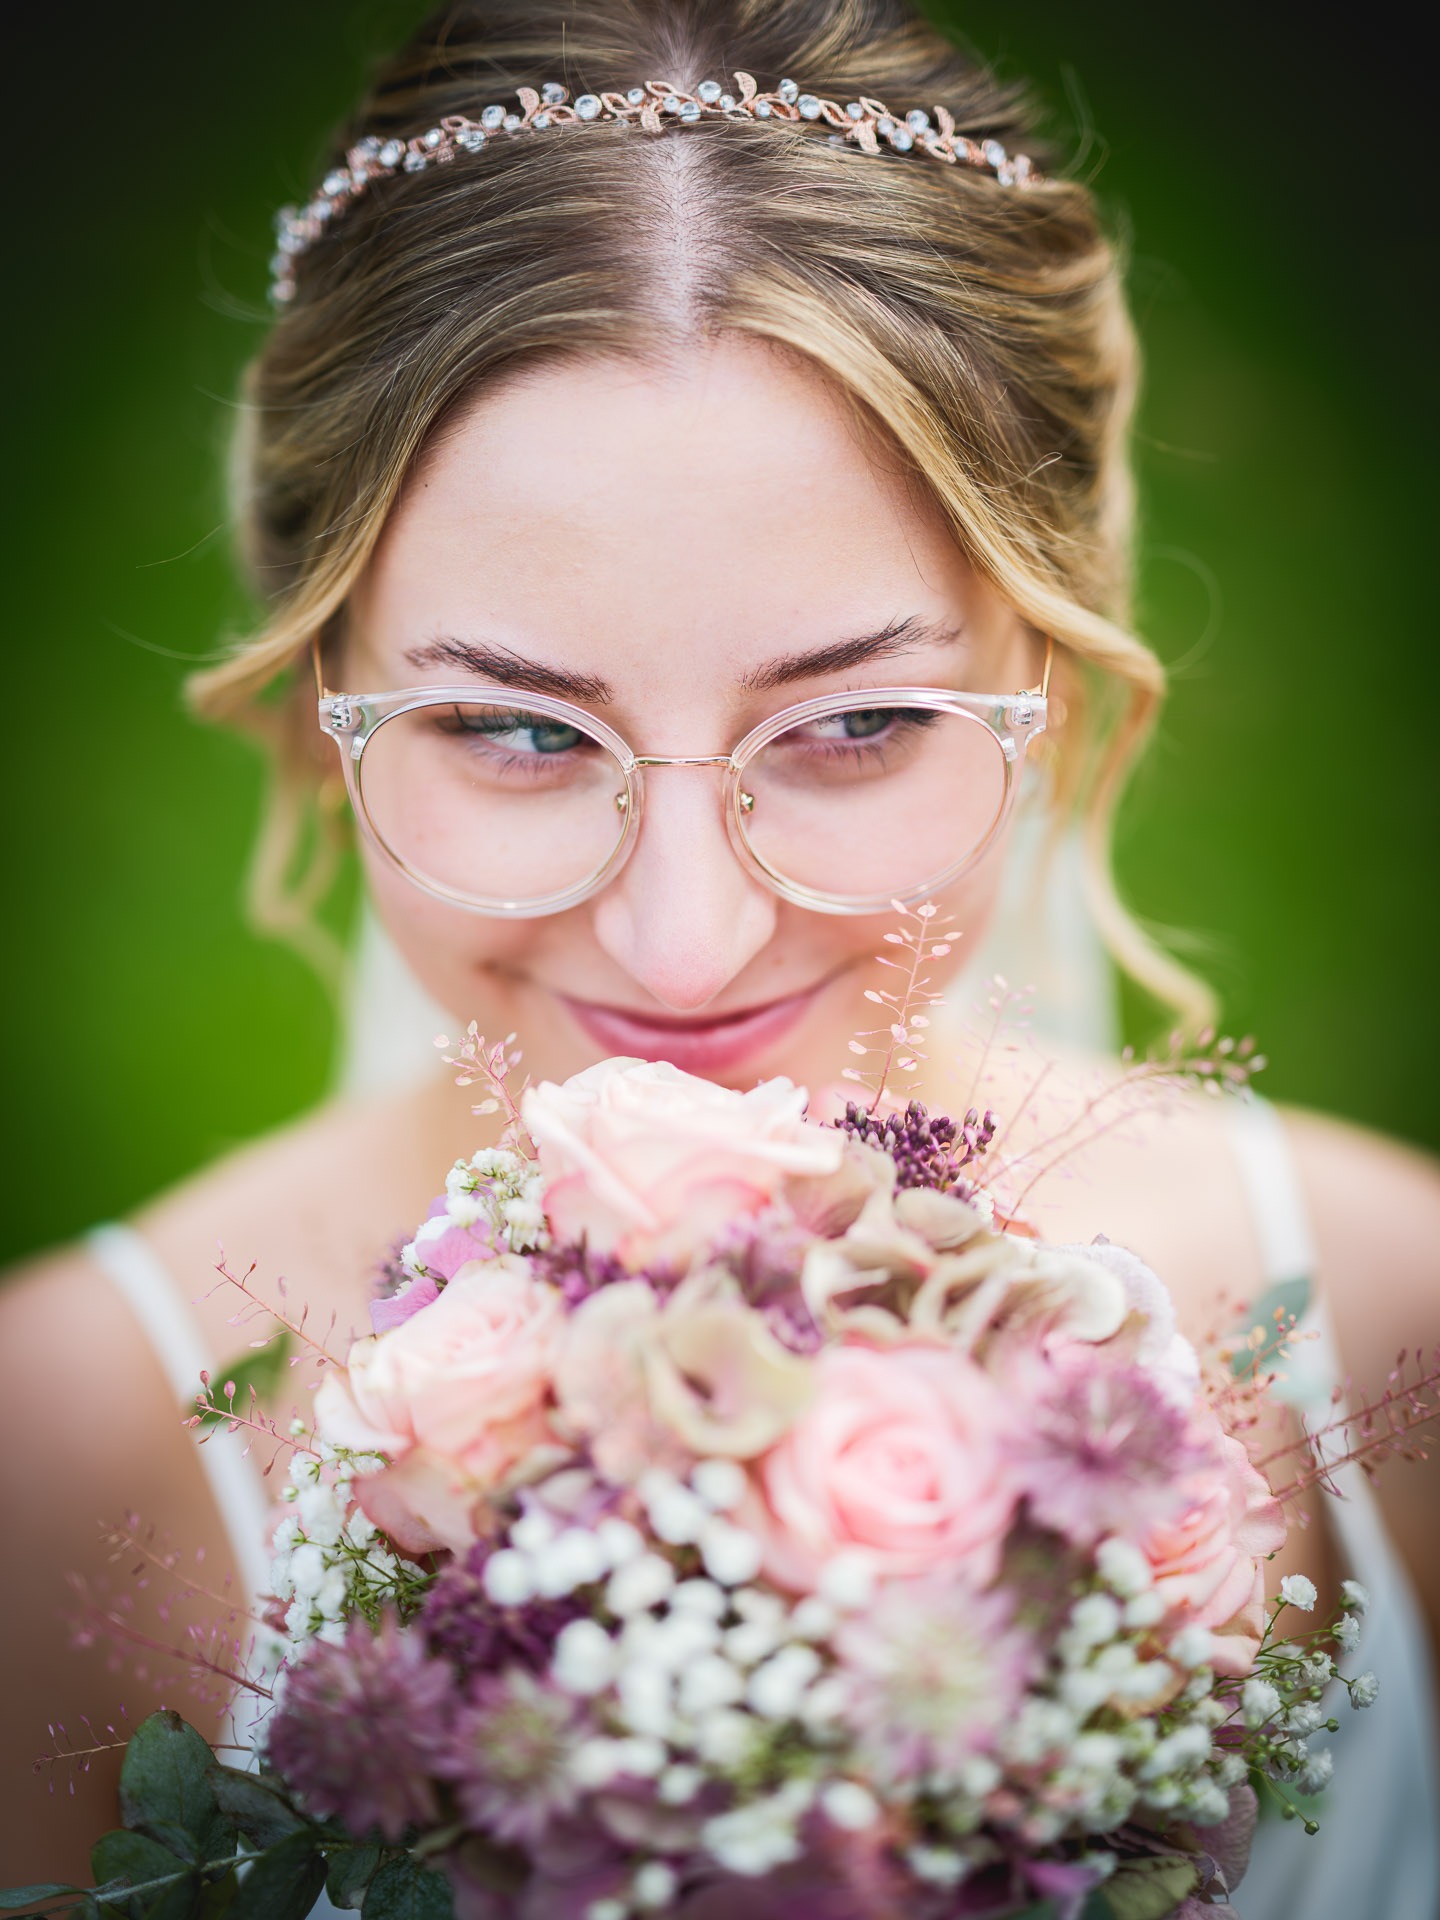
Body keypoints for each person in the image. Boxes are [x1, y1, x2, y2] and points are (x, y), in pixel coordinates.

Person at [1, 1, 1436, 1911]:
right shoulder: (61, 1458)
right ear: (315, 694)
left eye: (855, 727)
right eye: (518, 733)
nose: (687, 946)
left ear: (1061, 675)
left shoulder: (1394, 1315)